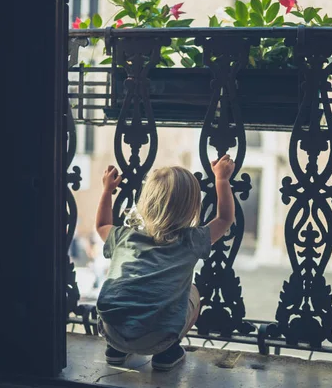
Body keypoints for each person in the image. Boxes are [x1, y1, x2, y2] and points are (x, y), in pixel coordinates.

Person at [95, 155, 235, 371]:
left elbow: (103, 224)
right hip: (160, 337)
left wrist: (106, 190)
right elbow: (225, 219)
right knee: (193, 293)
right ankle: (166, 354)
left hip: (111, 330)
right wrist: (222, 180)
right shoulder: (191, 240)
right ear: (191, 207)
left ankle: (116, 351)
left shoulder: (124, 235)